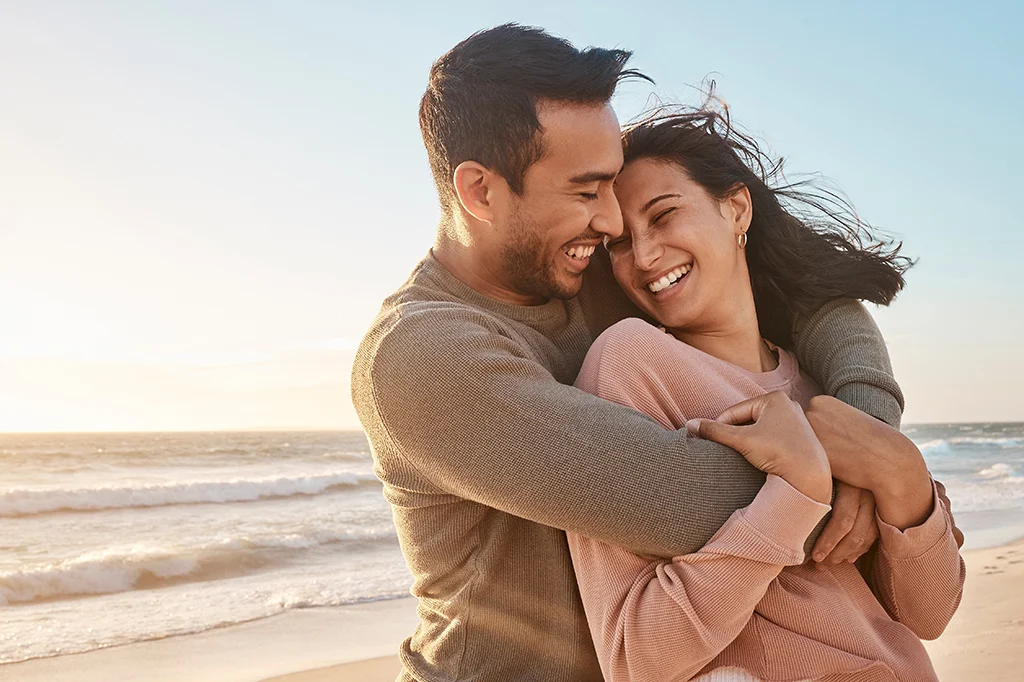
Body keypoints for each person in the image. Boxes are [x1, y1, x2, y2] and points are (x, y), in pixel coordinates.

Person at [352, 24, 910, 682]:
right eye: (586, 192)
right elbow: (681, 501)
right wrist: (864, 479)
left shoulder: (586, 267)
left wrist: (867, 427)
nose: (616, 223)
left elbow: (808, 298)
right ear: (480, 191)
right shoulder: (420, 357)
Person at [567, 107, 965, 682]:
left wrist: (903, 474)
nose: (646, 256)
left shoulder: (820, 383)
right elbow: (635, 659)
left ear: (736, 208)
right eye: (622, 244)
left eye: (664, 215)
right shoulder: (632, 363)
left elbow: (929, 614)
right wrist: (794, 493)